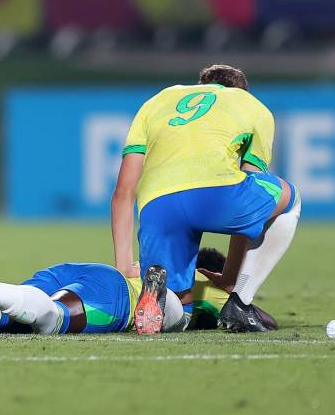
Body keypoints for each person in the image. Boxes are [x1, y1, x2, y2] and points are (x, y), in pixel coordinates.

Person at [111, 64, 301, 334]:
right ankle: (241, 303)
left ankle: (163, 303)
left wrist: (123, 264)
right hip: (215, 196)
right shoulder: (252, 105)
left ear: (201, 85)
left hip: (158, 206)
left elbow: (123, 191)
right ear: (239, 91)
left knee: (181, 304)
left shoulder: (159, 100)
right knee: (289, 201)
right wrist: (229, 280)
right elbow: (250, 198)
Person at [0, 247, 275, 338]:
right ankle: (155, 301)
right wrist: (223, 285)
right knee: (50, 321)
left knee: (1, 321)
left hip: (79, 272)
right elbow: (263, 321)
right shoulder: (209, 286)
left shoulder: (165, 258)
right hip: (118, 292)